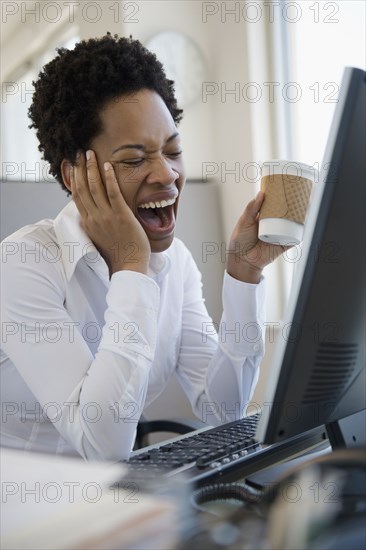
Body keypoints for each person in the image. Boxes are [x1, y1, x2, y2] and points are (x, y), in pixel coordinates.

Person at [0, 34, 285, 461]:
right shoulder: (25, 264)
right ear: (77, 175)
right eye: (134, 160)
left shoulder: (175, 264)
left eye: (174, 151)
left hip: (119, 502)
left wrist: (244, 275)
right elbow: (104, 446)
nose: (167, 175)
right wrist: (130, 267)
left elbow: (223, 408)